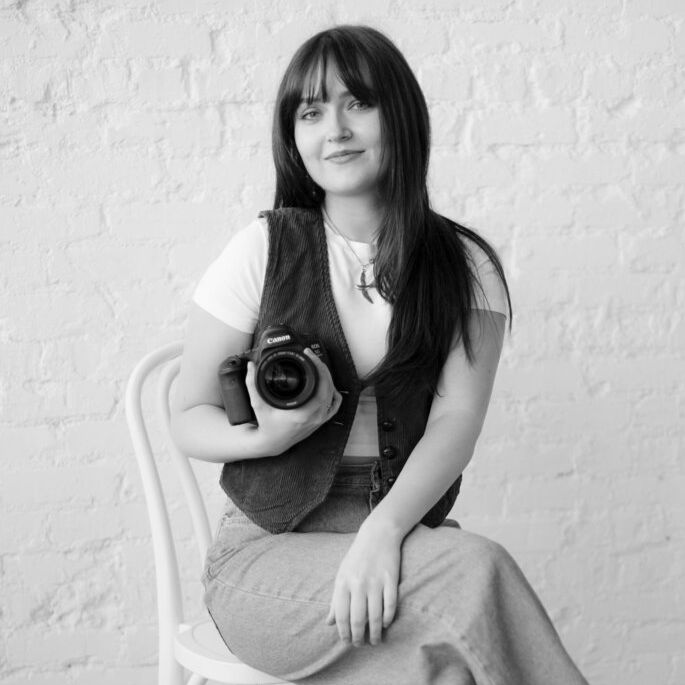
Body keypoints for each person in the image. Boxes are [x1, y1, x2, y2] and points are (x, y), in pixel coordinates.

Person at [170, 24, 589, 685]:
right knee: (472, 573)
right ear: (292, 136)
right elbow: (188, 413)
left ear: (400, 115)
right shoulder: (263, 249)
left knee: (449, 669)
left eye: (358, 103)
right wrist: (268, 435)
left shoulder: (463, 265)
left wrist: (383, 532)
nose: (335, 129)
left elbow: (456, 420)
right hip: (268, 560)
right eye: (311, 112)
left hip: (396, 541)